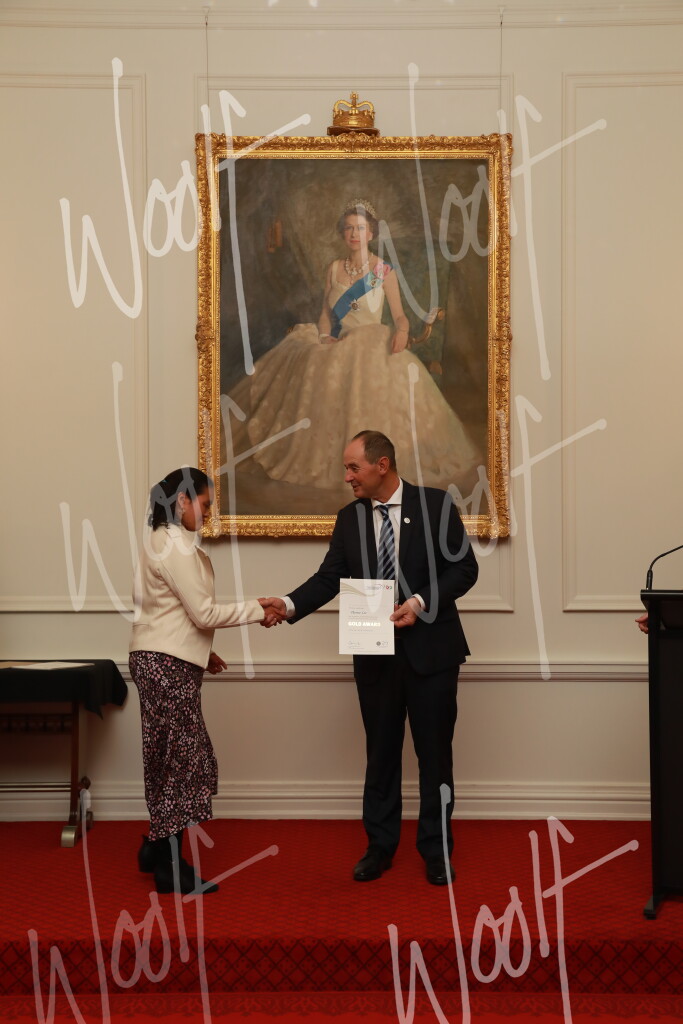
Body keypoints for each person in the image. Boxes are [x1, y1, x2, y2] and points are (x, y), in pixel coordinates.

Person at [262, 431, 478, 885]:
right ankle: (379, 847)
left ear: (382, 466)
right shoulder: (350, 518)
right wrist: (289, 604)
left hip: (432, 655)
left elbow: (464, 569)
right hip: (374, 655)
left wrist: (419, 602)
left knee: (435, 758)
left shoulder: (436, 506)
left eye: (353, 467)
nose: (347, 477)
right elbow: (328, 578)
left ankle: (437, 851)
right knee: (380, 755)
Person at [229, 199, 481, 495]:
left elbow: (400, 316)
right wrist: (325, 337)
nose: (353, 234)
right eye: (348, 228)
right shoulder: (334, 268)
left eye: (360, 228)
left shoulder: (383, 271)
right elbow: (326, 314)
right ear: (342, 233)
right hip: (338, 340)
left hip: (371, 341)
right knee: (307, 358)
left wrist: (402, 330)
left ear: (370, 234)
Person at [129, 467, 279, 895]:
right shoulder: (173, 544)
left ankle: (156, 848)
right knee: (180, 763)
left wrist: (199, 651)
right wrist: (259, 607)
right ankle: (168, 867)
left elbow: (163, 610)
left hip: (162, 660)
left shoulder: (162, 540)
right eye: (206, 503)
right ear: (182, 501)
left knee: (170, 759)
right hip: (164, 665)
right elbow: (204, 613)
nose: (209, 512)